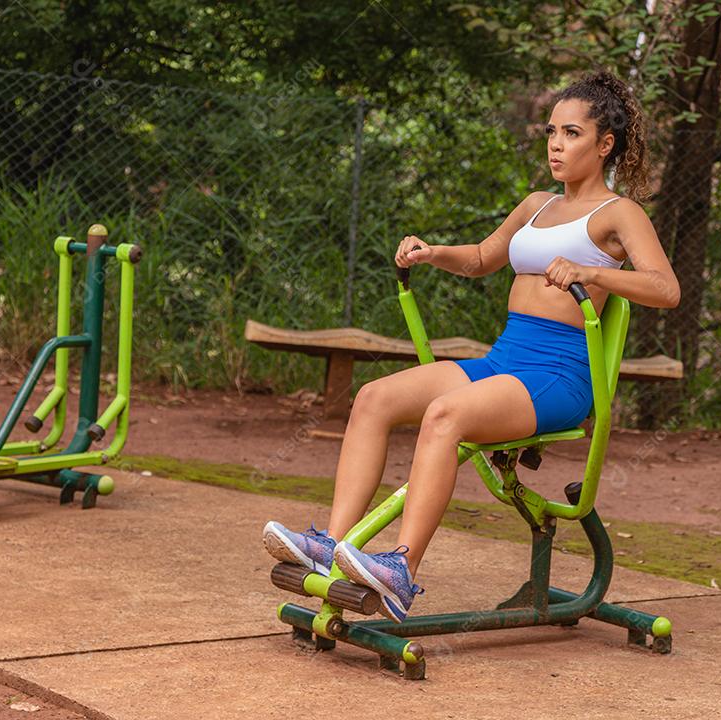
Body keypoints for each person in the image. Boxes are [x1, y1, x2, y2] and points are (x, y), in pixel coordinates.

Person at [263, 69, 680, 623]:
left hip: (559, 375)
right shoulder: (536, 204)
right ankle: (330, 543)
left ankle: (401, 570)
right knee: (373, 398)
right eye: (551, 132)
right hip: (505, 360)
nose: (556, 145)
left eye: (572, 133)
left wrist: (591, 272)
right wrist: (434, 253)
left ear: (605, 144)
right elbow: (484, 257)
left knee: (445, 415)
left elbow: (666, 289)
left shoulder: (619, 213)